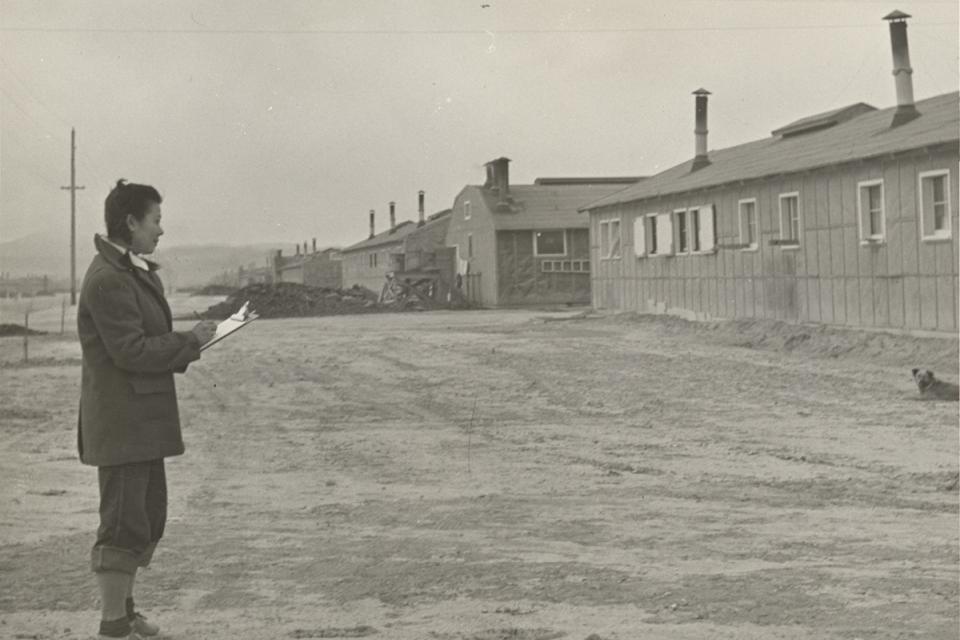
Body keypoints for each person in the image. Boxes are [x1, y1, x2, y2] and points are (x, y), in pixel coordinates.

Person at [77, 179, 218, 639]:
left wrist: (188, 344)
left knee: (144, 516)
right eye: (155, 220)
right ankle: (113, 624)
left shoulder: (132, 272)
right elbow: (131, 351)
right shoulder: (109, 279)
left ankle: (126, 610)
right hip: (122, 425)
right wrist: (188, 342)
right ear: (131, 222)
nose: (161, 230)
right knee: (121, 522)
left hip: (141, 421)